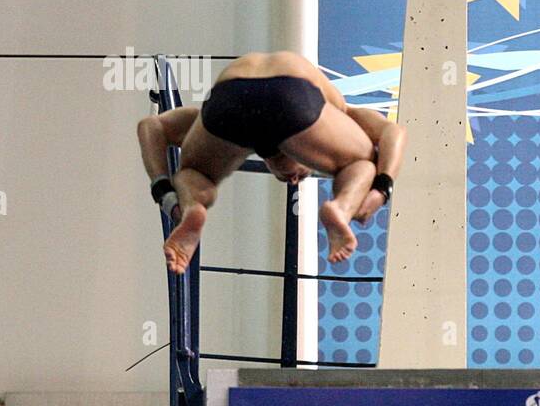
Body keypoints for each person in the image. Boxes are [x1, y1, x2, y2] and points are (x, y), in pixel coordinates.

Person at [136, 51, 406, 273]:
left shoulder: (201, 119)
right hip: (291, 91)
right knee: (365, 163)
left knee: (194, 172)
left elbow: (151, 127)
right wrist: (381, 188)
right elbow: (394, 132)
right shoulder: (341, 111)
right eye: (304, 173)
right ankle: (340, 209)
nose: (294, 179)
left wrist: (166, 192)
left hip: (229, 97)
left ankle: (193, 206)